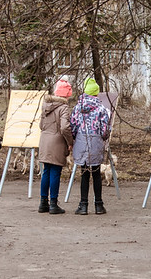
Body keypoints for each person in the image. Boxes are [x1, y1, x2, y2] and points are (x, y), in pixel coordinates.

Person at [70, 77, 111, 215]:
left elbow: (73, 127)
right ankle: (99, 205)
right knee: (96, 173)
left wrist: (76, 139)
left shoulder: (77, 108)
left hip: (81, 141)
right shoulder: (101, 109)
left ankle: (83, 205)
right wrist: (103, 138)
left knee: (84, 173)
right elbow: (105, 130)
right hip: (96, 142)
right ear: (96, 93)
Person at [38, 79, 74, 214]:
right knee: (55, 172)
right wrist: (70, 141)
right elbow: (65, 127)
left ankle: (43, 203)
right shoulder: (63, 107)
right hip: (57, 142)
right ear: (66, 94)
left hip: (44, 141)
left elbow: (41, 125)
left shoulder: (46, 105)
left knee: (46, 171)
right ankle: (53, 203)